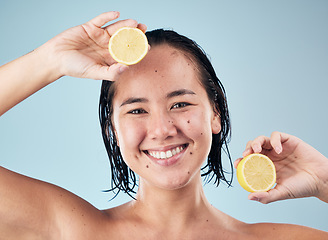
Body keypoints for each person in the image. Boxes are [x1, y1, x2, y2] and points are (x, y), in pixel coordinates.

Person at [0, 11, 327, 239]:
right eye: (136, 111)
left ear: (215, 114)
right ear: (112, 130)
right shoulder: (68, 230)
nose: (162, 129)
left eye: (180, 104)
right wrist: (49, 60)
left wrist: (325, 182)